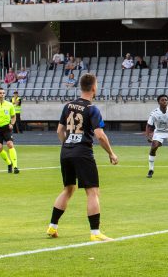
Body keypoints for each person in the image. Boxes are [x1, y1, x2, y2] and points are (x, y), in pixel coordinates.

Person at [46, 73, 119, 241]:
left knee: (68, 189)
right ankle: (95, 233)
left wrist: (68, 145)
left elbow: (59, 131)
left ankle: (52, 227)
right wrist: (111, 153)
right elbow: (99, 135)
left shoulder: (68, 106)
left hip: (66, 151)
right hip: (83, 152)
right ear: (94, 87)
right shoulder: (92, 109)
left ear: (80, 87)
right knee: (93, 192)